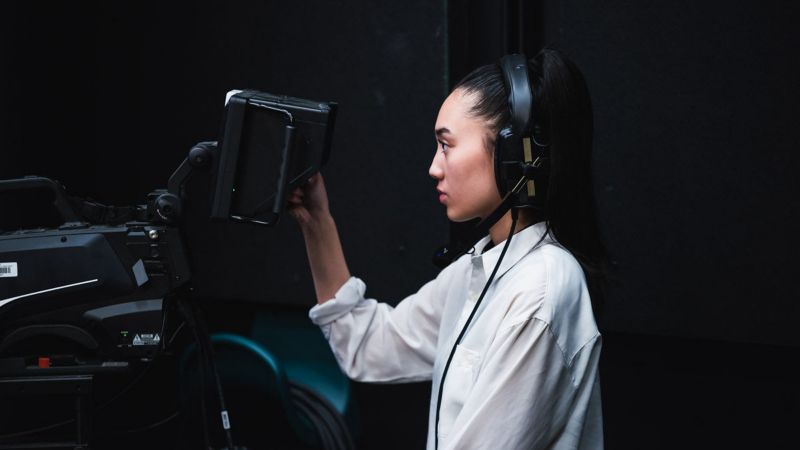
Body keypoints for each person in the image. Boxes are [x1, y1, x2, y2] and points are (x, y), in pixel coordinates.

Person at [287, 48, 606, 450]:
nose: (433, 168)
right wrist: (317, 221)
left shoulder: (542, 287)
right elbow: (369, 347)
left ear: (511, 151)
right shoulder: (479, 269)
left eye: (446, 145)